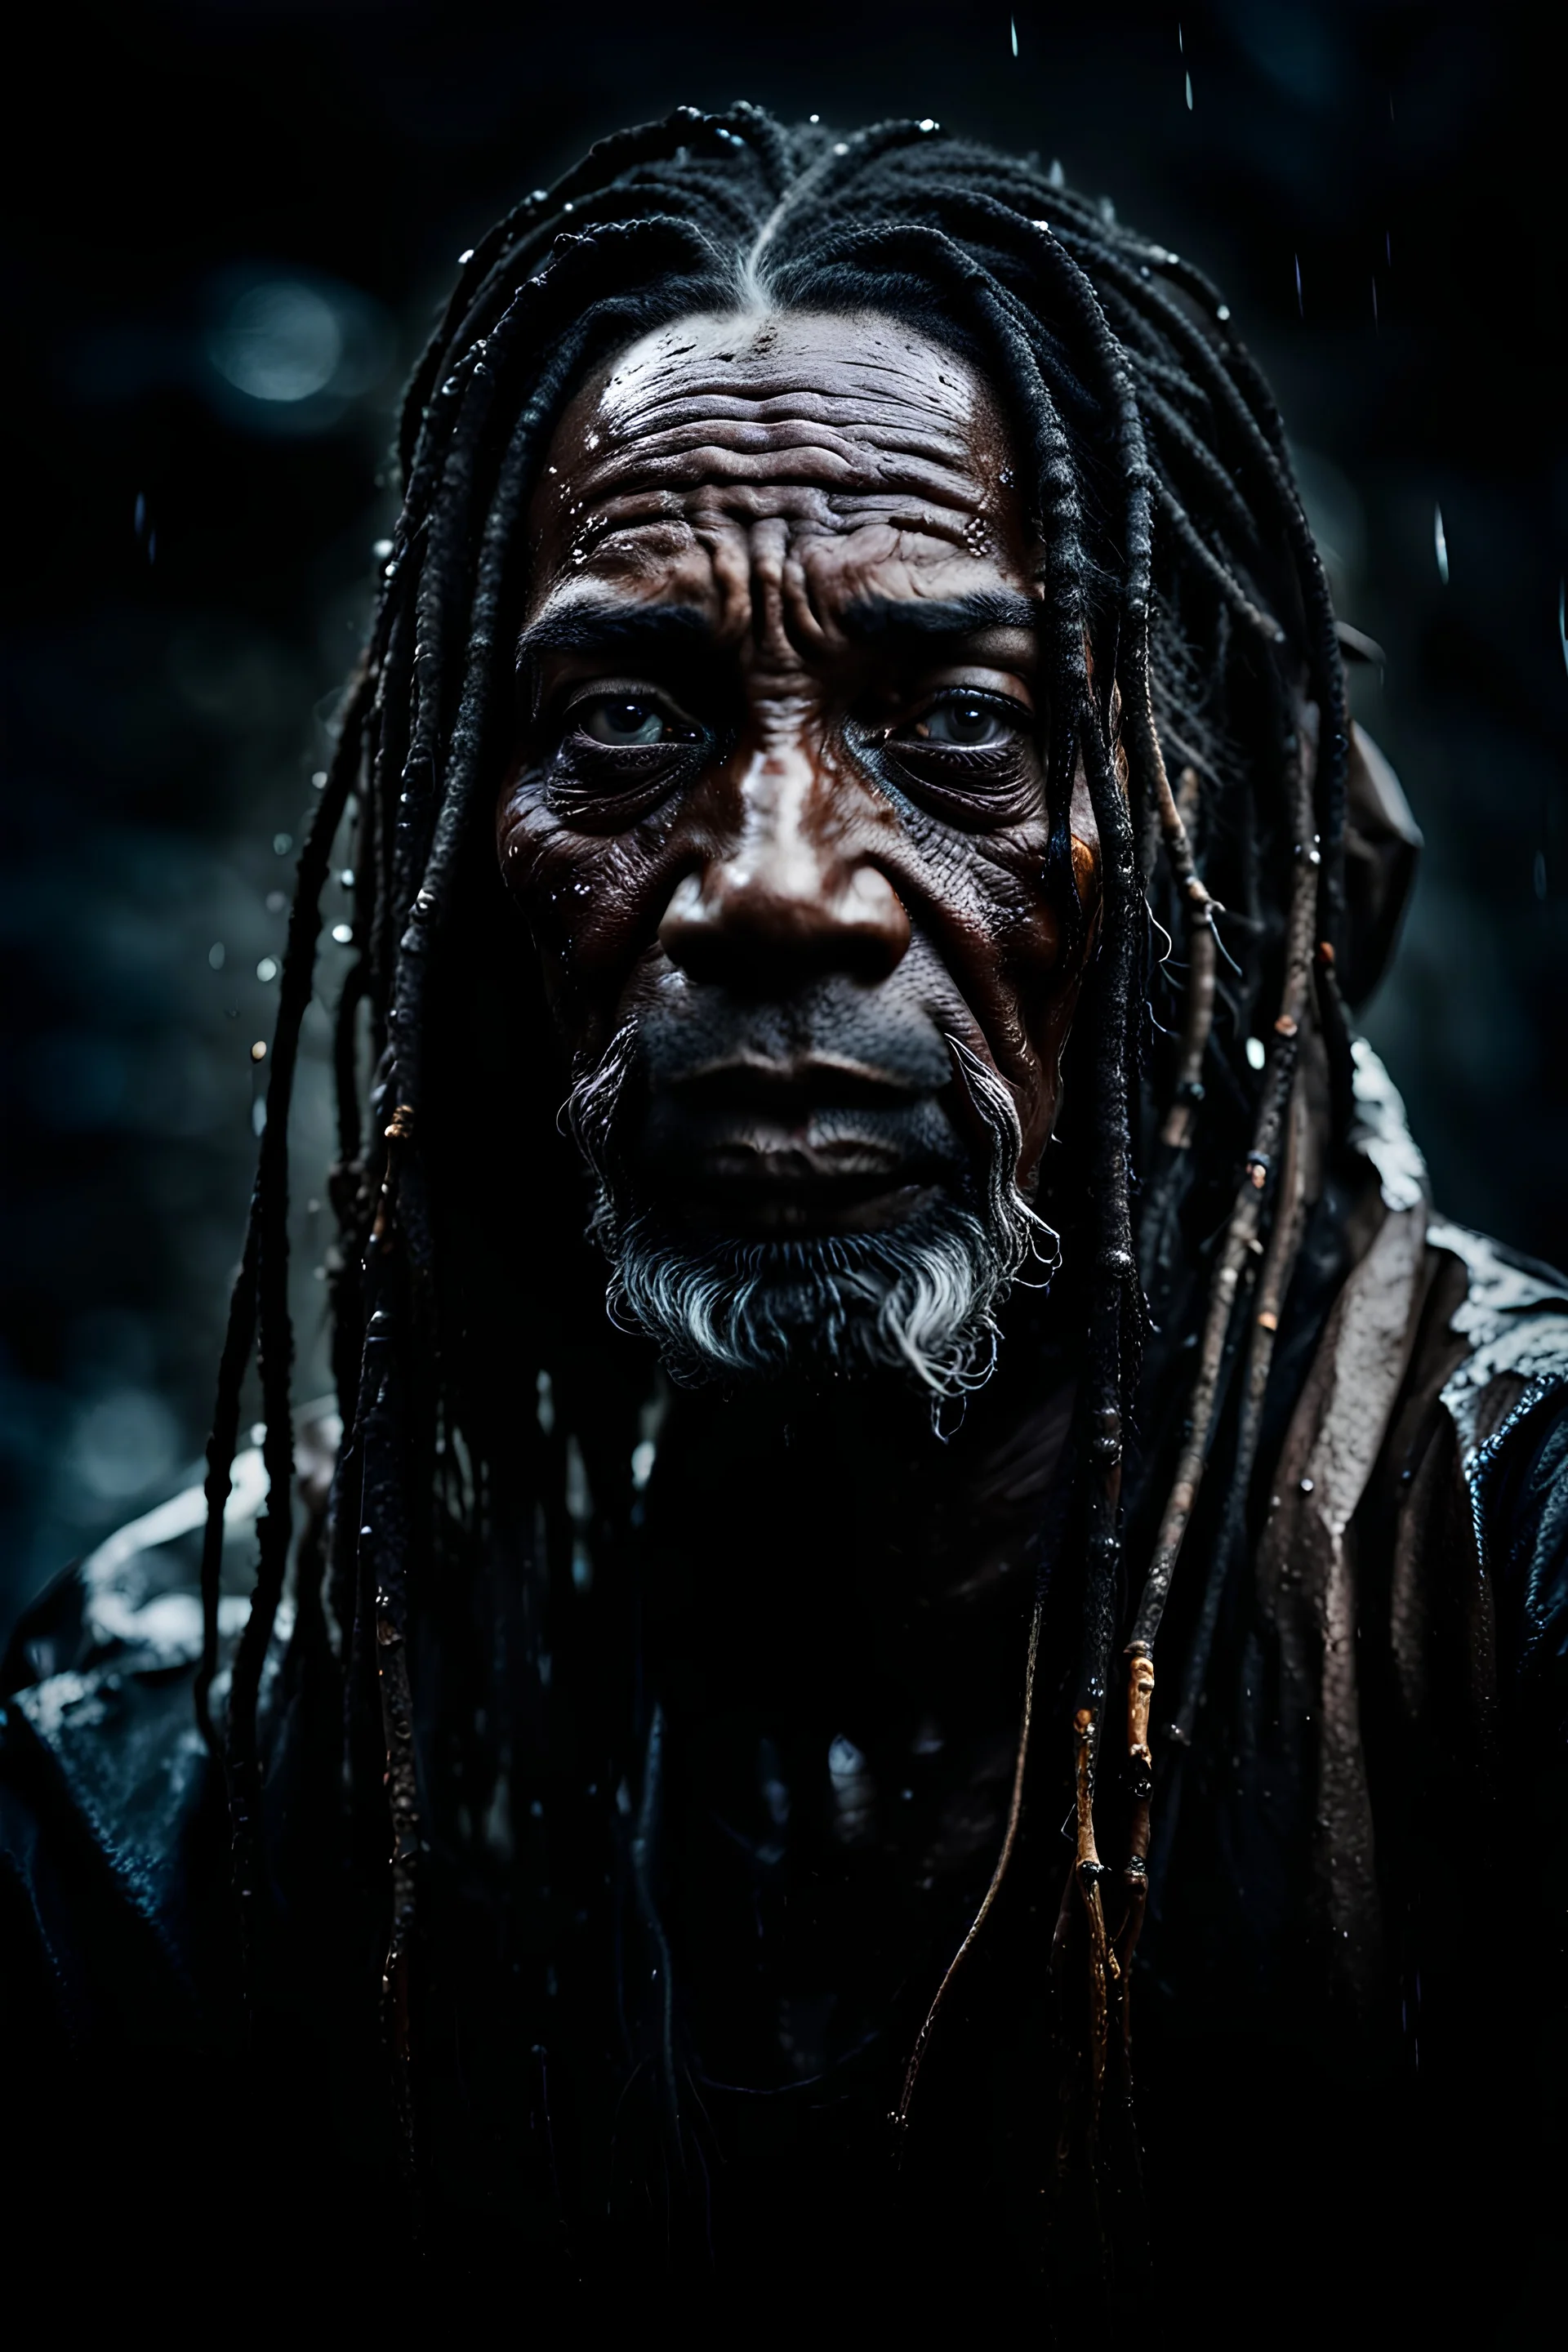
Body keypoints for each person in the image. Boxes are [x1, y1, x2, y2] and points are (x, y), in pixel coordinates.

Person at [2, 105, 1563, 2318]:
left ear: (1217, 853)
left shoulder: (1528, 1597)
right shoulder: (181, 1747)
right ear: (472, 884)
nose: (770, 888)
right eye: (626, 722)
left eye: (962, 718)